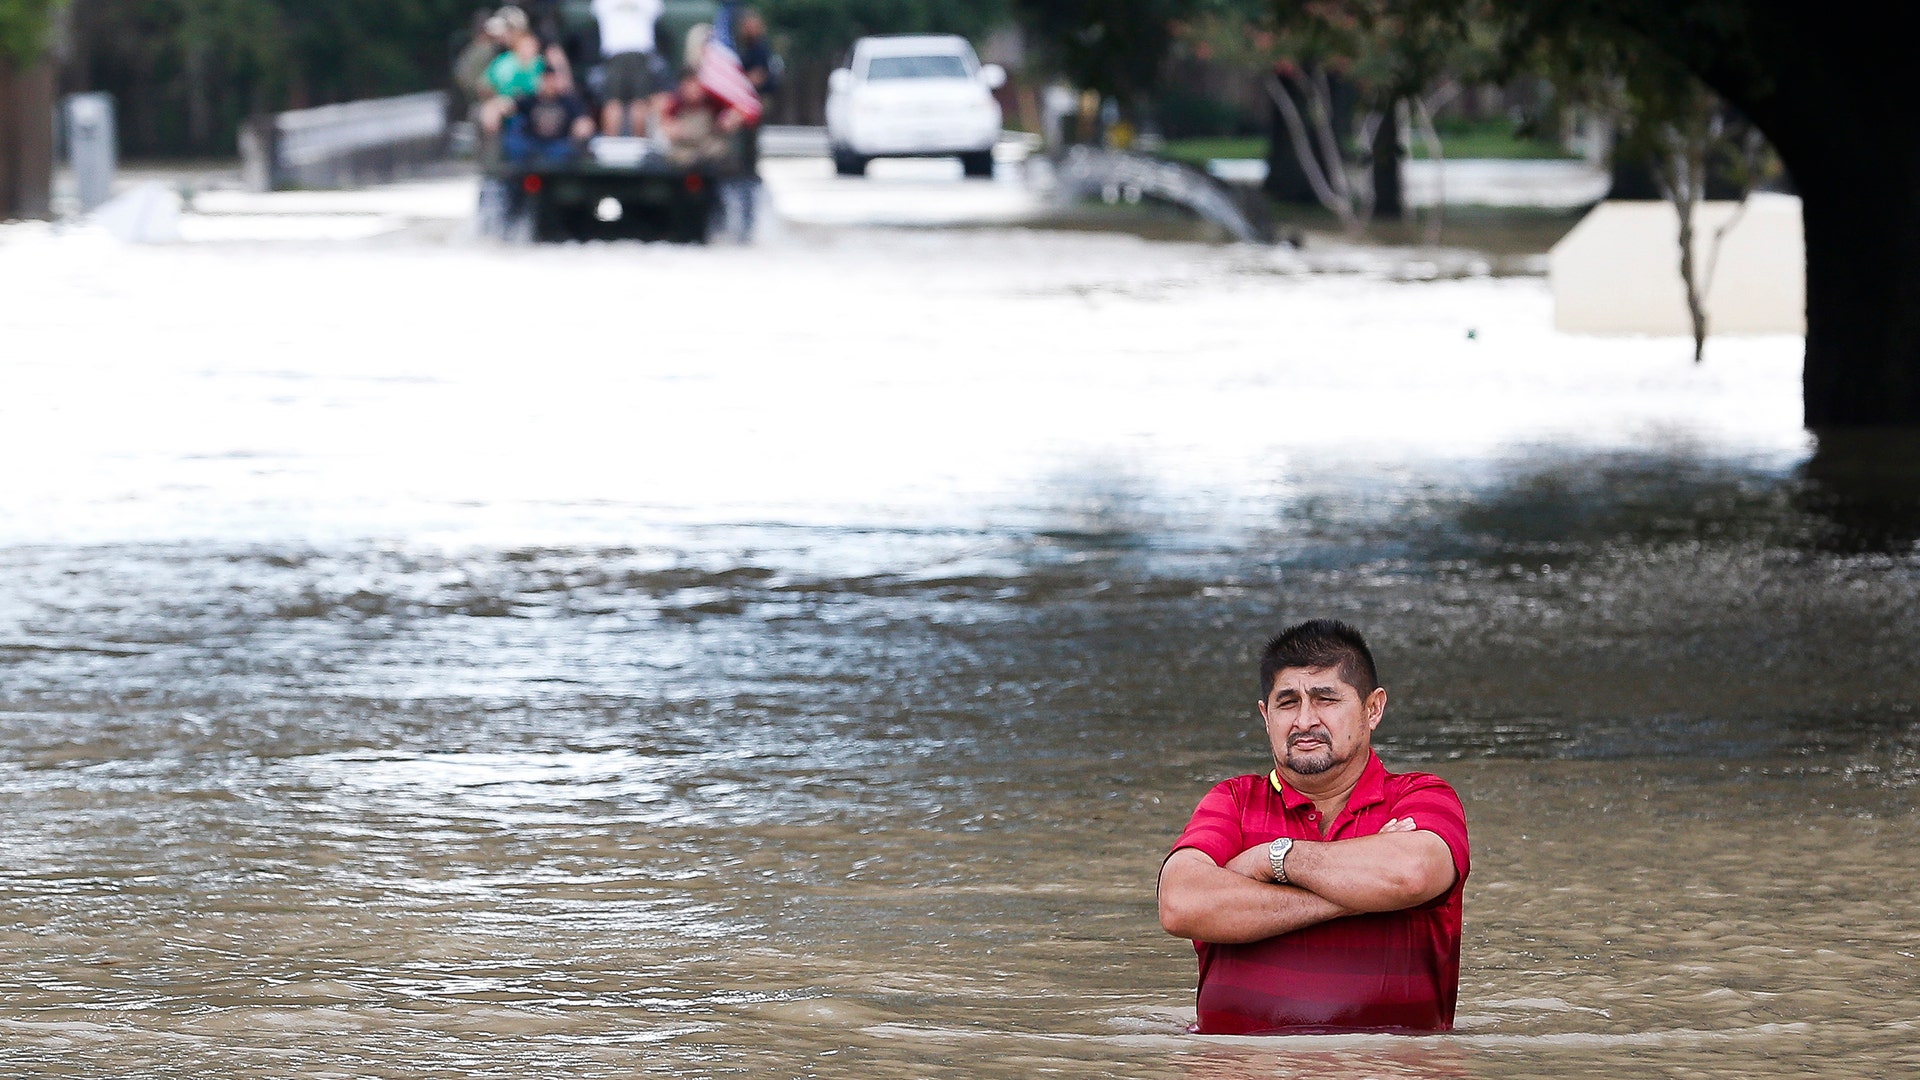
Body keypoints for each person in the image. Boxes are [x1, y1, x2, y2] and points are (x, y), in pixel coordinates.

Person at [1157, 619, 1470, 1035]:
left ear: (1372, 709)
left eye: (1326, 699)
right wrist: (1361, 897)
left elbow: (1411, 874)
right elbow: (1180, 904)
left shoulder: (1420, 794)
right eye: (1287, 702)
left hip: (1392, 1069)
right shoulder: (1233, 800)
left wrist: (1272, 860)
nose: (1305, 720)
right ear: (1266, 716)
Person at [592, 0, 666, 137]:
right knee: (627, 102)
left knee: (626, 102)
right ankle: (618, 146)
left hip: (624, 53)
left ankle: (622, 146)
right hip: (626, 53)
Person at [503, 65, 596, 164]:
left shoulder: (570, 101)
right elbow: (506, 105)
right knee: (513, 143)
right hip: (532, 143)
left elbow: (584, 120)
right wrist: (494, 110)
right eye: (547, 80)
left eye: (553, 80)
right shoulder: (529, 100)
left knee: (568, 150)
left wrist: (583, 126)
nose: (550, 84)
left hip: (559, 145)